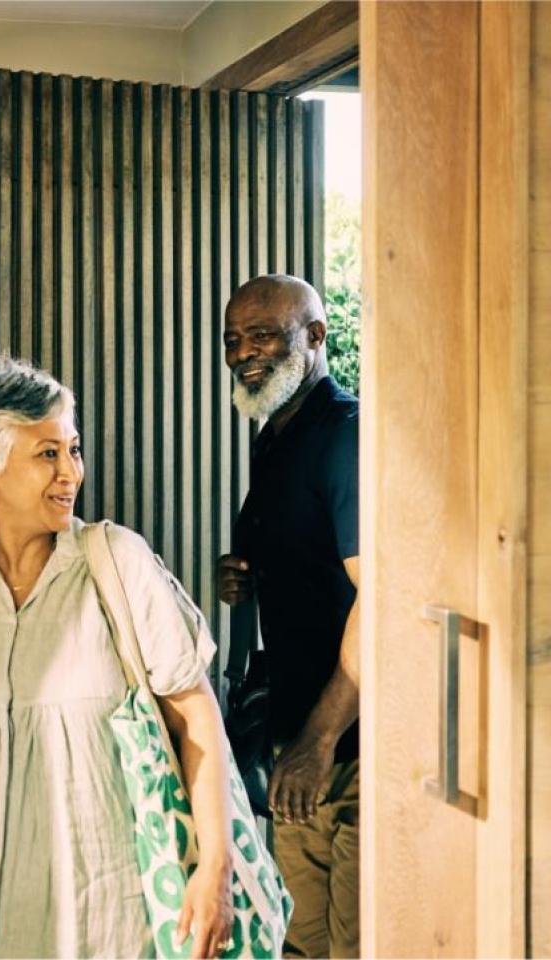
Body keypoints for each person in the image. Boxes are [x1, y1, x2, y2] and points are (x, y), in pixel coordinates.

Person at [0, 357, 236, 959]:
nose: (71, 473)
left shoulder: (117, 562)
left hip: (104, 919)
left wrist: (215, 867)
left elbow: (194, 713)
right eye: (47, 454)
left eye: (73, 450)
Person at [216, 275, 360, 958]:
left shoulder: (346, 437)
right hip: (296, 750)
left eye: (264, 333)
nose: (244, 351)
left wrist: (320, 741)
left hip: (353, 753)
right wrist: (244, 574)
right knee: (301, 948)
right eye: (233, 338)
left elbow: (381, 599)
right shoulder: (274, 437)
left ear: (315, 337)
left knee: (362, 944)